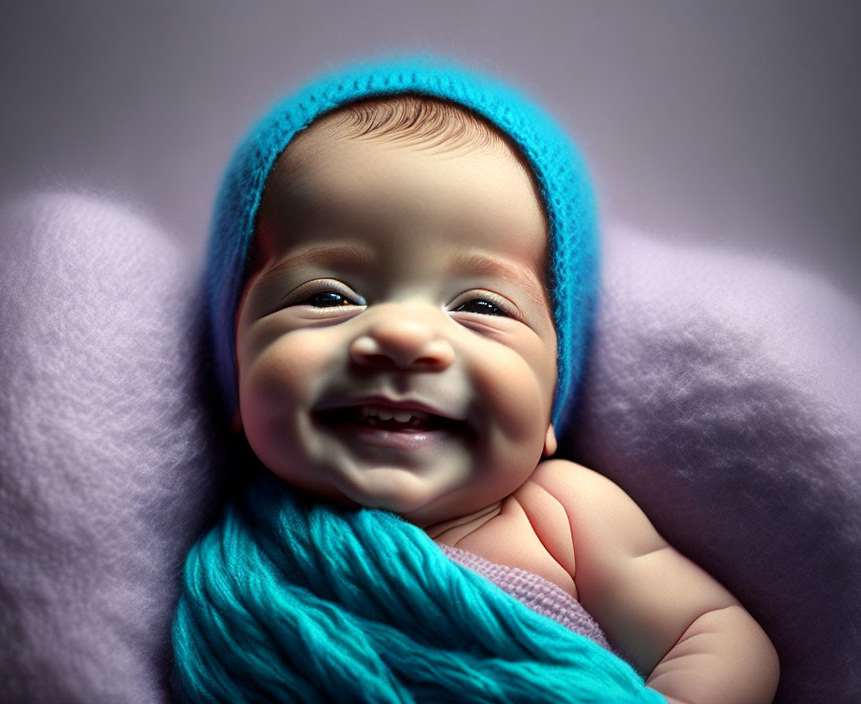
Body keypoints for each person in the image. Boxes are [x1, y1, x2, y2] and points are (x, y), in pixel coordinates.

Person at [173, 55, 779, 704]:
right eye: (328, 296)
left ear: (552, 397)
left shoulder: (565, 516)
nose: (405, 337)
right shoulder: (242, 568)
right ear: (235, 370)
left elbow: (712, 635)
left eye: (481, 306)